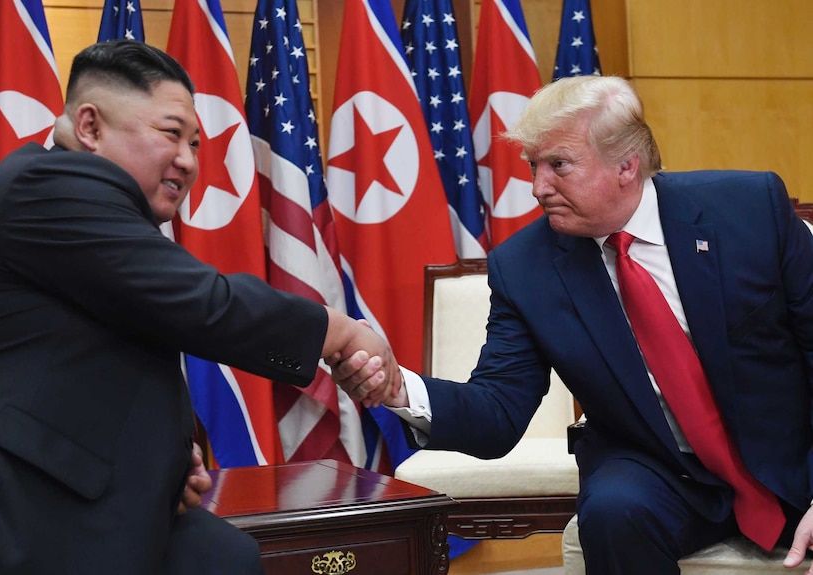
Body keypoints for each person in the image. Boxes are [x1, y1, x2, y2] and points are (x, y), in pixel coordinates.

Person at [333, 75, 813, 574]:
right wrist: (398, 388)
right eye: (533, 167)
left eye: (558, 165)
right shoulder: (525, 267)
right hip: (660, 468)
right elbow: (498, 410)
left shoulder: (748, 208)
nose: (538, 187)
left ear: (627, 164)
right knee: (612, 511)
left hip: (789, 455)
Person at [0, 40, 397, 575]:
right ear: (90, 128)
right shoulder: (48, 188)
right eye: (170, 135)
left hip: (91, 494)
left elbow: (89, 350)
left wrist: (164, 455)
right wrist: (342, 333)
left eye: (195, 142)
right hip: (19, 511)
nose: (187, 161)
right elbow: (204, 305)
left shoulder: (74, 199)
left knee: (221, 556)